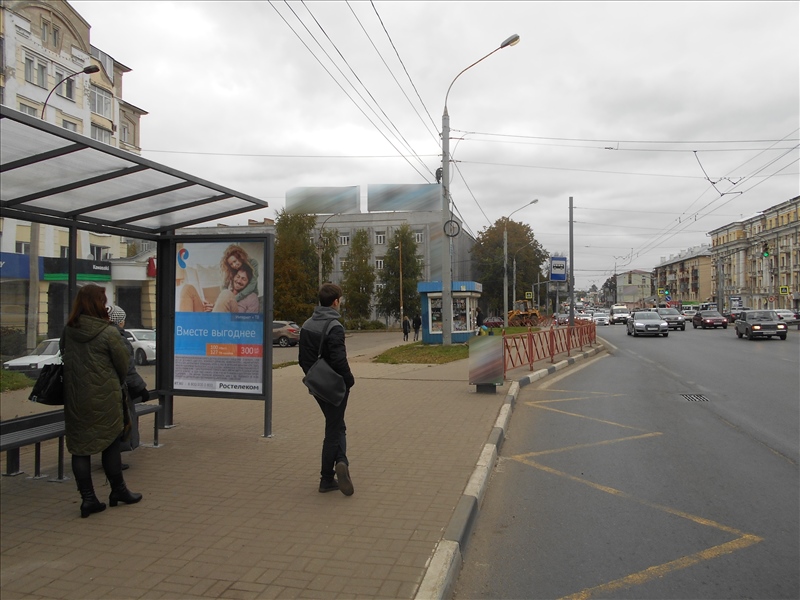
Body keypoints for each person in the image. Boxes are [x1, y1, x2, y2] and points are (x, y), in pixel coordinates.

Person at [60, 285, 142, 519]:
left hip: (76, 398)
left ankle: (88, 499)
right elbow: (123, 364)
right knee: (109, 443)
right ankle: (118, 490)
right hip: (105, 397)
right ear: (99, 304)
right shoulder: (108, 332)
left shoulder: (69, 330)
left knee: (80, 448)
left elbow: (63, 354)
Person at [298, 283, 356, 496]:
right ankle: (326, 477)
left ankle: (341, 462)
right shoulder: (334, 326)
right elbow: (340, 360)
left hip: (317, 385)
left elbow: (302, 360)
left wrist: (314, 377)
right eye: (340, 299)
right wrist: (349, 380)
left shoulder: (306, 325)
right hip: (335, 386)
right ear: (335, 302)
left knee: (336, 424)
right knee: (334, 429)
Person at [107, 305, 150, 466]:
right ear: (118, 321)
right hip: (114, 391)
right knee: (119, 424)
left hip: (93, 393)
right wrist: (141, 389)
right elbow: (127, 368)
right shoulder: (117, 338)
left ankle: (110, 462)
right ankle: (113, 464)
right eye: (122, 319)